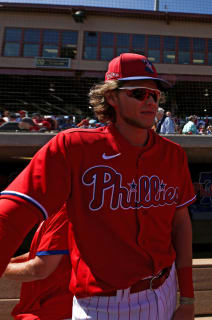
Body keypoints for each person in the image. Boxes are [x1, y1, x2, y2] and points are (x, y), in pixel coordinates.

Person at [0, 53, 196, 320]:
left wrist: (187, 297)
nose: (150, 100)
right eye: (138, 93)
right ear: (111, 97)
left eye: (155, 94)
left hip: (164, 289)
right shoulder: (73, 147)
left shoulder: (174, 155)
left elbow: (181, 222)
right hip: (103, 306)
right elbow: (13, 211)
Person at [3, 209, 73, 319]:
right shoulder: (54, 213)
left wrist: (3, 268)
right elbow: (42, 252)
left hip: (53, 312)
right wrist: (8, 261)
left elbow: (39, 269)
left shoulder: (63, 214)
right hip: (41, 311)